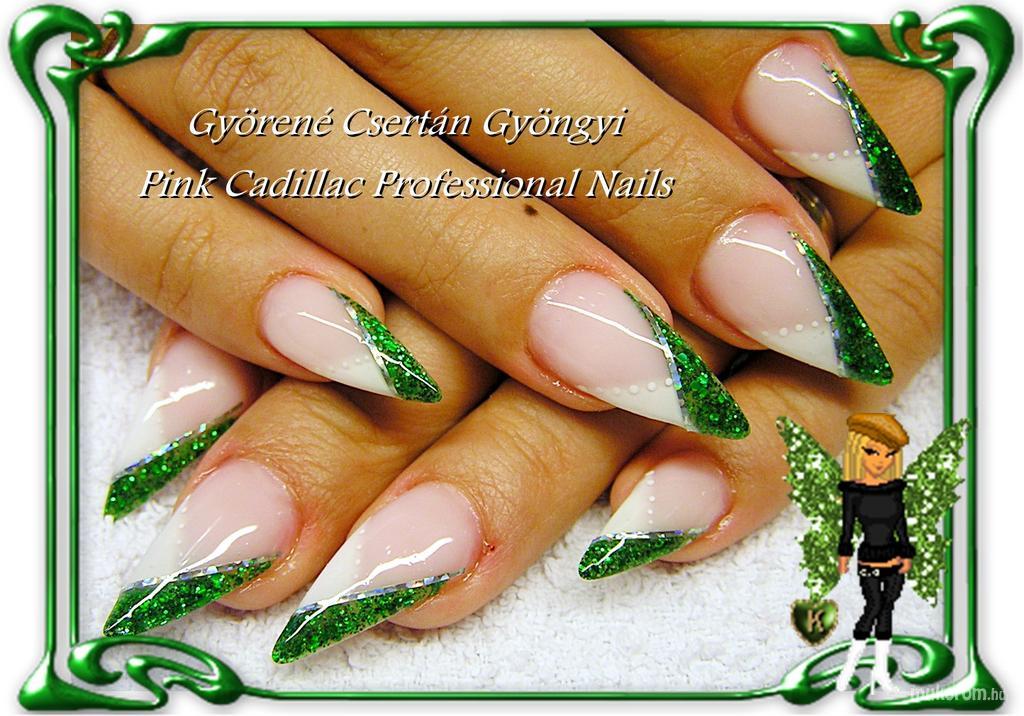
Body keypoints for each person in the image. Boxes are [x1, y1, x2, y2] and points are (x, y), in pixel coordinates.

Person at [834, 413, 914, 692]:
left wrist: (907, 553)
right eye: (873, 452)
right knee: (873, 607)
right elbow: (847, 527)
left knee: (887, 609)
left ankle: (881, 672)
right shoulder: (853, 492)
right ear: (858, 450)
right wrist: (844, 555)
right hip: (869, 557)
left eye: (888, 455)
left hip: (895, 558)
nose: (881, 461)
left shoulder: (895, 490)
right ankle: (848, 669)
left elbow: (901, 524)